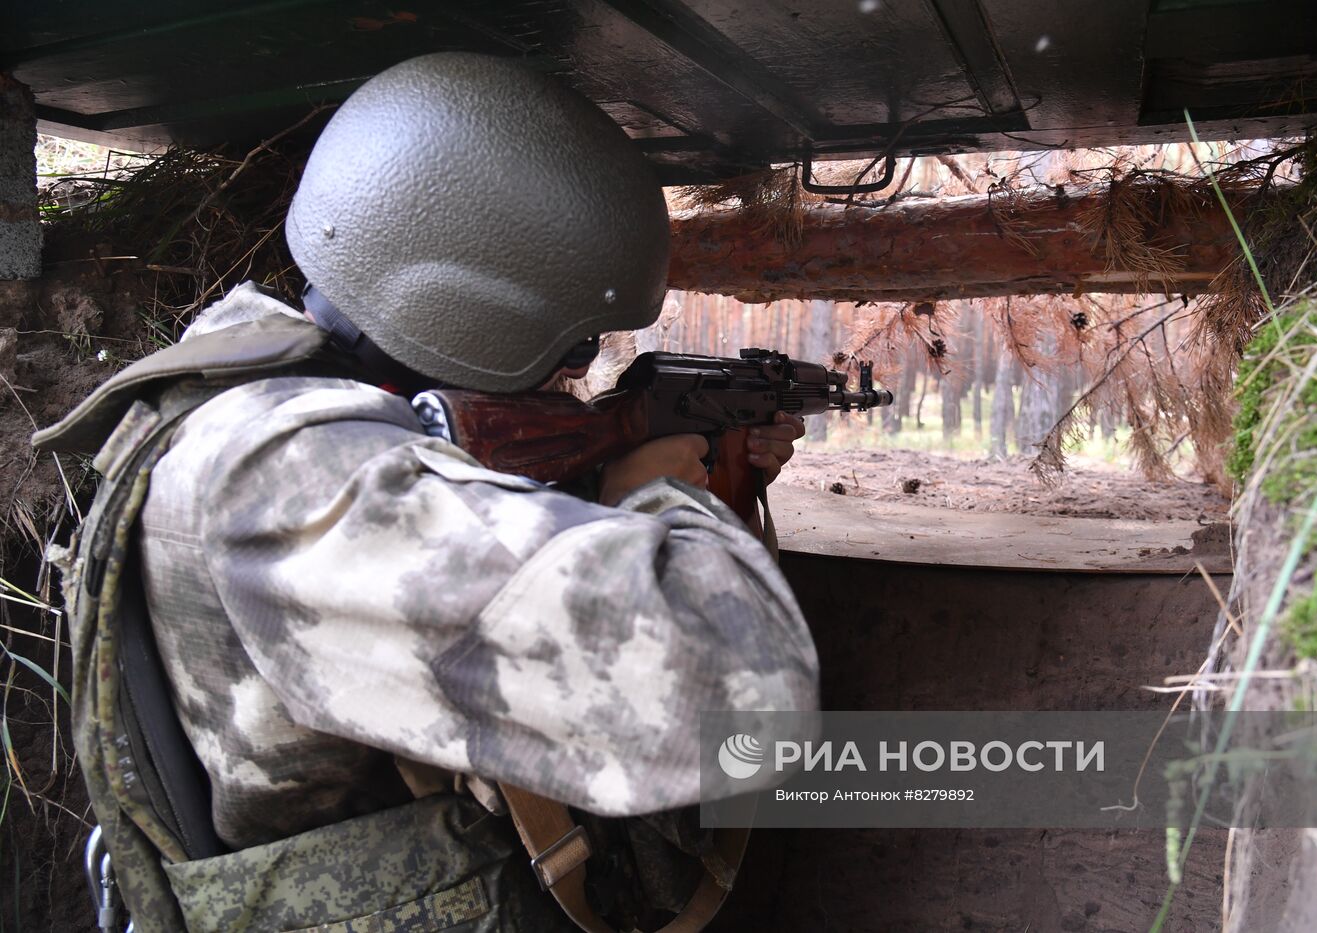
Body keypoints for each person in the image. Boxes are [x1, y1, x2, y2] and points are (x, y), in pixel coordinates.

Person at [38, 52, 818, 932]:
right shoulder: (295, 473)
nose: (574, 374)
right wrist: (668, 500)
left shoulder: (234, 397)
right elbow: (742, 689)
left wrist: (621, 478)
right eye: (575, 343)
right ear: (477, 309)